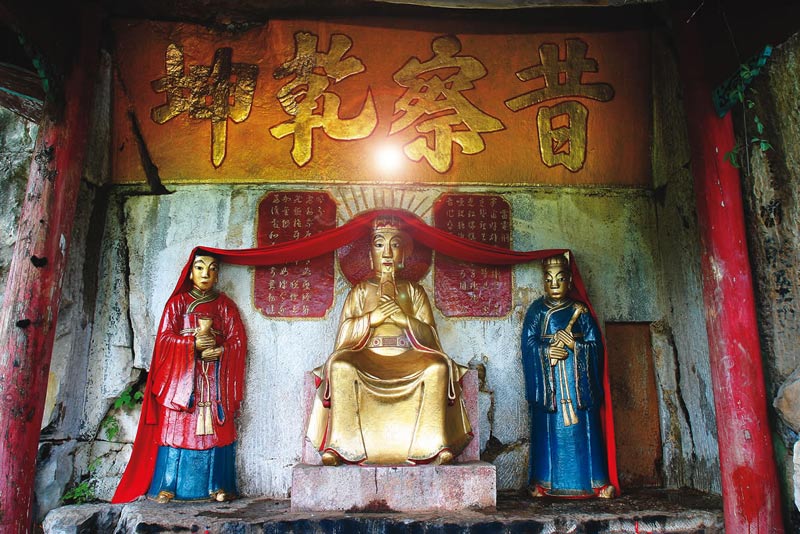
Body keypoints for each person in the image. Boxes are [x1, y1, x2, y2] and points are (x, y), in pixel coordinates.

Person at [306, 215, 472, 465]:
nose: (387, 253)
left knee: (438, 367)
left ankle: (434, 445)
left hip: (409, 355)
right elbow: (344, 334)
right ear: (370, 253)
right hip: (366, 354)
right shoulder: (361, 291)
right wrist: (371, 319)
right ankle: (340, 446)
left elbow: (431, 335)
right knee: (340, 365)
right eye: (379, 244)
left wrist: (404, 320)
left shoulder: (413, 291)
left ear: (403, 254)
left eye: (395, 245)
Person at [112, 251, 247, 503]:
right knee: (177, 428)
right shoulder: (177, 304)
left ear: (217, 274)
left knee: (215, 431)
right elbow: (164, 340)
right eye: (200, 268)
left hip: (214, 378)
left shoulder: (225, 306)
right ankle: (168, 484)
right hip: (183, 380)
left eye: (212, 269)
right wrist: (190, 345)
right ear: (190, 273)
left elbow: (238, 340)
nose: (206, 274)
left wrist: (221, 351)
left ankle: (218, 485)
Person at [521, 253, 614, 498]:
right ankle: (544, 481)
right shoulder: (537, 310)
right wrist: (545, 352)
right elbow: (528, 345)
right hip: (550, 382)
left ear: (570, 280)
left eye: (560, 278)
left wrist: (575, 346)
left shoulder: (580, 311)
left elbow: (596, 347)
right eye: (548, 279)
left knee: (584, 429)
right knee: (548, 429)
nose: (554, 284)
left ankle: (595, 482)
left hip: (577, 383)